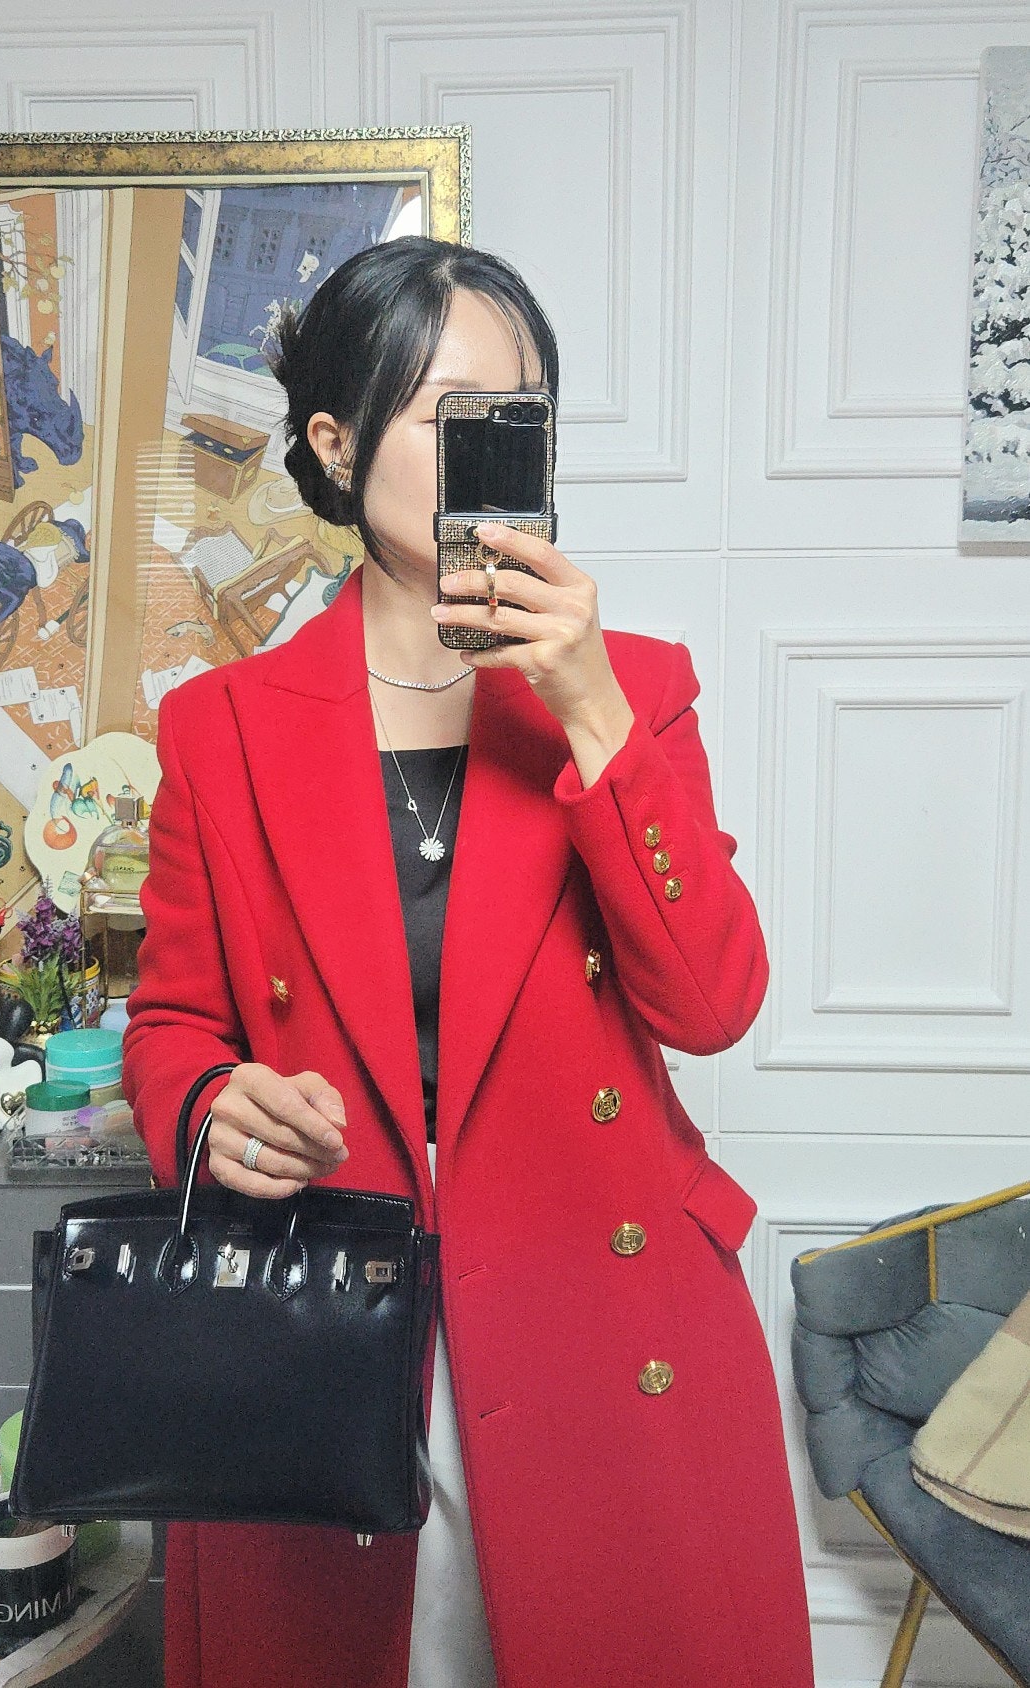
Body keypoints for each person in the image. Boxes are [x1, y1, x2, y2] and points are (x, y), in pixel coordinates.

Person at [122, 234, 814, 1688]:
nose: (492, 451)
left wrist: (588, 706)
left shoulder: (635, 687)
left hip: (597, 1318)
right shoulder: (222, 726)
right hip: (326, 1316)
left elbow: (711, 1003)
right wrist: (212, 1107)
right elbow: (176, 1020)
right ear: (335, 443)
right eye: (453, 416)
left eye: (520, 417)